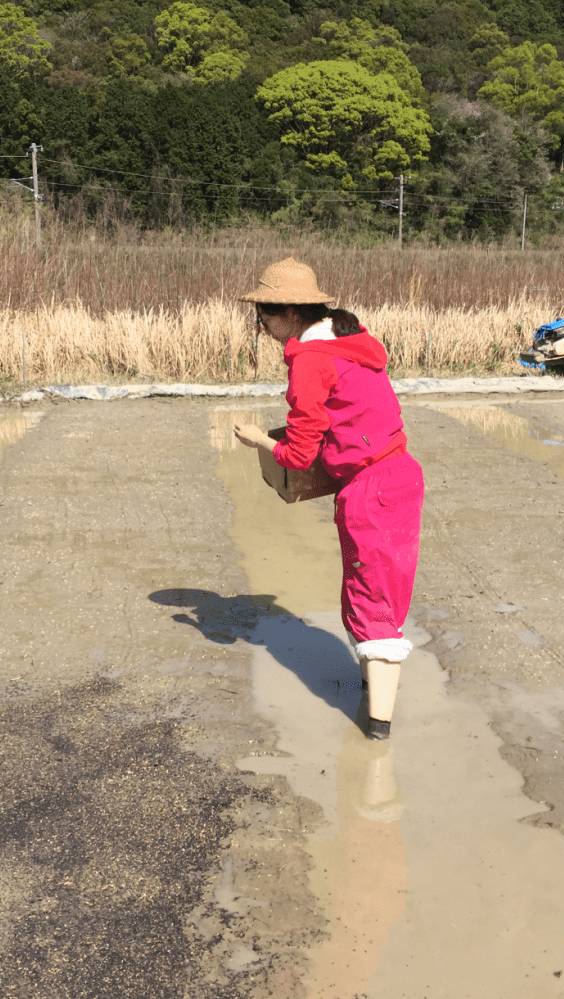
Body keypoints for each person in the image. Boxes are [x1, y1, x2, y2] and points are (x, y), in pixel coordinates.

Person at [233, 257, 424, 740]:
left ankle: (376, 734)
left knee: (372, 597)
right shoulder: (350, 343)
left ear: (290, 313)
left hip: (372, 489)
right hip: (398, 474)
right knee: (375, 588)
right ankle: (370, 693)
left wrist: (259, 439)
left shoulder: (311, 359)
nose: (263, 327)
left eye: (264, 317)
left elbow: (297, 456)